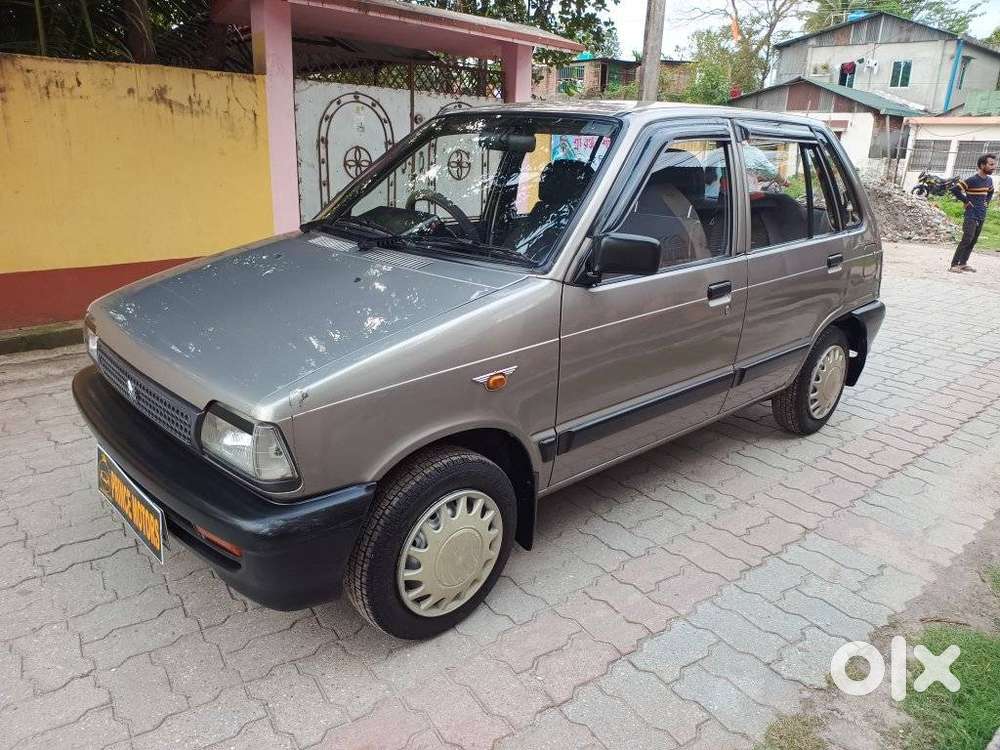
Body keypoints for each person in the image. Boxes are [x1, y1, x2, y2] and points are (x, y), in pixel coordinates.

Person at [949, 153, 996, 273]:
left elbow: (990, 192)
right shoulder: (972, 180)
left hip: (981, 215)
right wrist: (966, 201)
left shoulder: (989, 180)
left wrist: (987, 202)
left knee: (973, 240)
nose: (994, 167)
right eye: (991, 164)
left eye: (994, 164)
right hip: (971, 215)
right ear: (982, 165)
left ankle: (963, 263)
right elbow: (955, 189)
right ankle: (954, 265)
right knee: (967, 239)